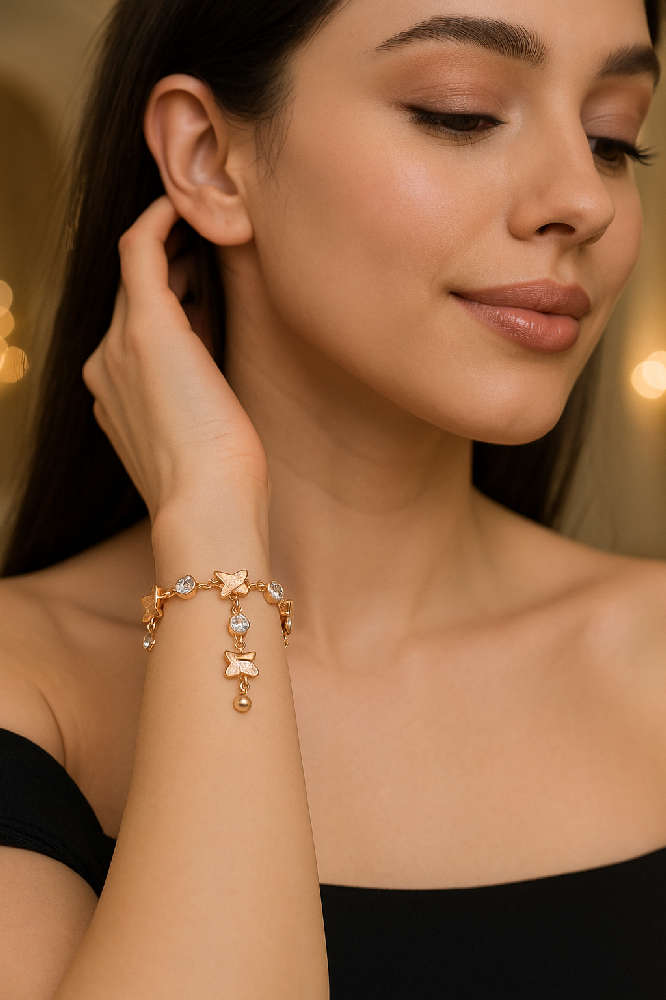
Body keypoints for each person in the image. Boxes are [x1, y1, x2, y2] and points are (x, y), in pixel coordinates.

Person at [1, 0, 665, 995]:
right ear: (209, 159)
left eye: (613, 137)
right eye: (461, 112)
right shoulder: (27, 691)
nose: (585, 198)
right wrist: (213, 528)